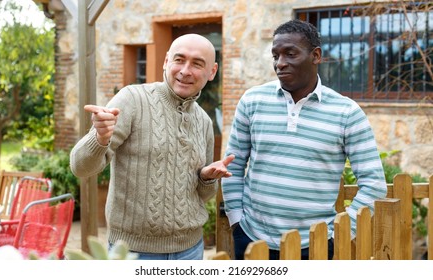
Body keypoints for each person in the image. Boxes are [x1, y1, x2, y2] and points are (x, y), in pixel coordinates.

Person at [221, 19, 387, 260]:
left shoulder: (347, 112)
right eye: (275, 55)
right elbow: (232, 164)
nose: (280, 63)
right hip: (252, 240)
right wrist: (237, 221)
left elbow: (374, 184)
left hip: (316, 247)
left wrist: (337, 236)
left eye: (290, 54)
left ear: (316, 55)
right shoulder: (252, 101)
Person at [70, 34, 235, 260]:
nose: (185, 71)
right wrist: (99, 138)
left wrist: (206, 178)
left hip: (191, 251)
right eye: (179, 60)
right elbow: (80, 167)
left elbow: (204, 195)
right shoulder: (132, 100)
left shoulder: (204, 121)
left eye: (197, 64)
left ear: (212, 71)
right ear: (166, 61)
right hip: (134, 253)